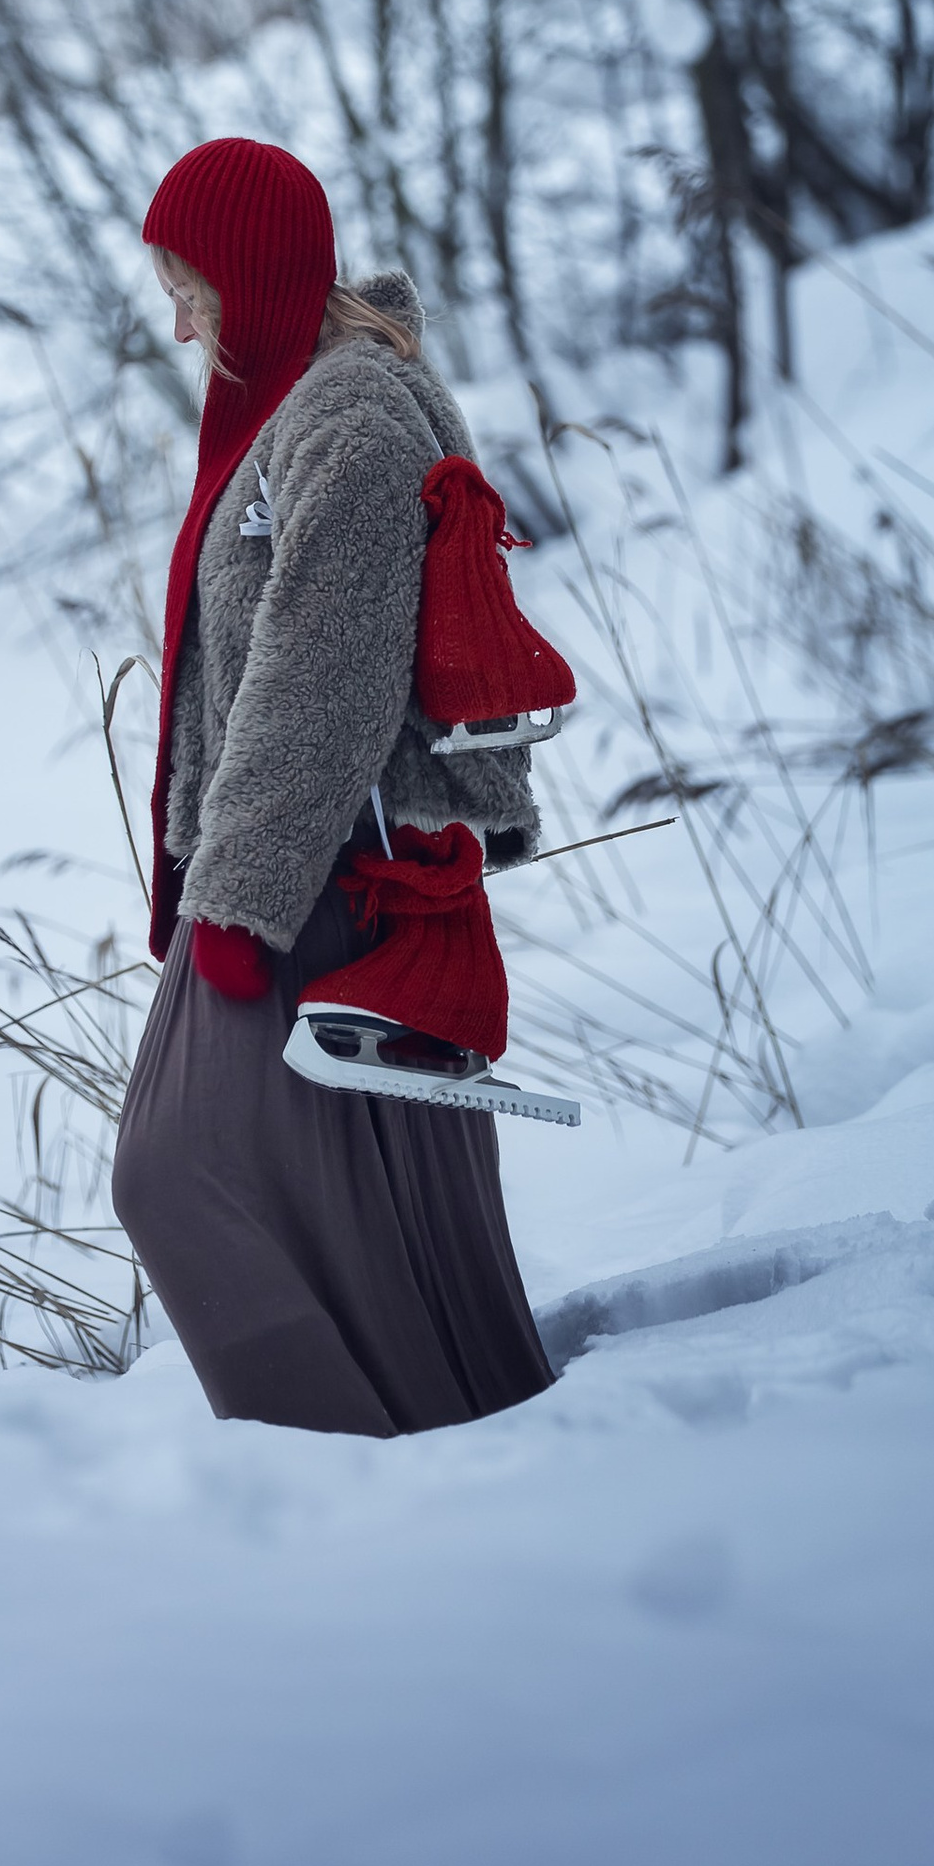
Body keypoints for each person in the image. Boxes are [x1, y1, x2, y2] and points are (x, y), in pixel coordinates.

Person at [109, 133, 558, 1433]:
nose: (179, 316)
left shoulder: (348, 422)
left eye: (190, 281)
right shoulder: (300, 401)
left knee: (177, 1170)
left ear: (250, 272)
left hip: (320, 886)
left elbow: (326, 677)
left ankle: (337, 1458)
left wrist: (237, 908)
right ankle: (434, 1437)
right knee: (365, 1193)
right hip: (309, 871)